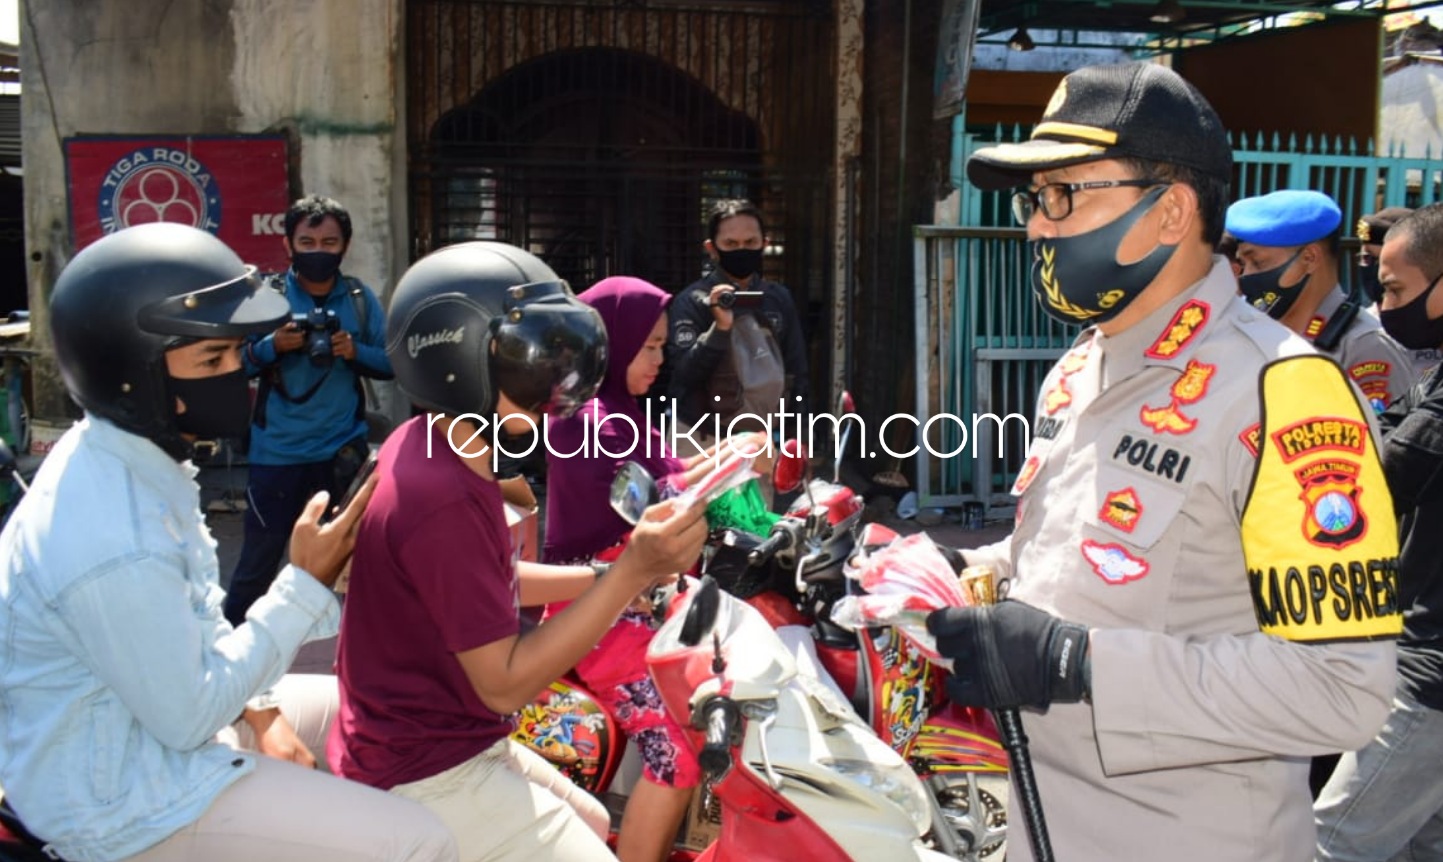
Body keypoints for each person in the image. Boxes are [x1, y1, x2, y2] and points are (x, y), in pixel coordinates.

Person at [923, 62, 1401, 862]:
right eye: (1033, 199)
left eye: (1060, 195)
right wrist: (947, 572)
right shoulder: (1082, 364)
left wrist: (1077, 663)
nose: (1036, 227)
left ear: (1170, 210)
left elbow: (1342, 690)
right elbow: (1070, 565)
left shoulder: (1284, 392)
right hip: (1044, 826)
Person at [0, 223, 456, 862]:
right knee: (421, 842)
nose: (237, 373)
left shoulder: (135, 460)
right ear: (133, 375)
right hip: (124, 802)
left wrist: (263, 711)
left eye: (237, 355)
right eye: (213, 361)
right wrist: (306, 583)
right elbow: (190, 715)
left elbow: (199, 620)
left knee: (399, 710)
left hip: (148, 731)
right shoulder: (112, 533)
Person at [328, 243, 709, 862]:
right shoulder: (442, 495)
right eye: (532, 368)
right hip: (428, 767)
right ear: (456, 364)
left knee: (593, 821)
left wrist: (603, 577)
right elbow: (504, 685)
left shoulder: (436, 442)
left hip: (449, 736)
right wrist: (629, 572)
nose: (554, 389)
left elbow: (491, 576)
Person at [544, 275, 770, 862]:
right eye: (648, 346)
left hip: (642, 599)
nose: (659, 359)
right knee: (677, 751)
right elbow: (662, 500)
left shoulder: (618, 413)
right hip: (599, 613)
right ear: (610, 342)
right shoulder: (587, 422)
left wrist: (732, 453)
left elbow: (671, 473)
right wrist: (728, 463)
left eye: (663, 346)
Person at [1315, 202, 1443, 861]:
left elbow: (1382, 478)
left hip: (1431, 673)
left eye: (1393, 288)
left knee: (1326, 845)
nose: (1383, 304)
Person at [224, 194, 393, 625]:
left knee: (363, 564)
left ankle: (363, 649)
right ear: (288, 245)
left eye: (329, 242)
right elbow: (231, 365)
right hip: (277, 455)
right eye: (307, 242)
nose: (318, 251)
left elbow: (391, 364)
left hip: (342, 454)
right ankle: (229, 650)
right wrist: (271, 346)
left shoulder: (359, 298)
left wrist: (354, 352)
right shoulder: (266, 298)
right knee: (257, 566)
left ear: (345, 246)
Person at [1226, 190, 1415, 414]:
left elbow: (1387, 434)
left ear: (1309, 258)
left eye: (1258, 263)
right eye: (1243, 263)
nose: (1246, 275)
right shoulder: (1254, 333)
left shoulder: (1364, 347)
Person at [666, 199, 809, 453]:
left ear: (764, 244)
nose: (741, 250)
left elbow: (797, 371)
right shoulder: (693, 301)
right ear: (711, 248)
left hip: (762, 439)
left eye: (750, 242)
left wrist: (799, 438)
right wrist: (719, 329)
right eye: (731, 244)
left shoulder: (777, 299)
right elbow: (685, 374)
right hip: (701, 436)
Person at [1357, 206, 1436, 376]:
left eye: (1381, 259)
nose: (1375, 269)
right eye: (1366, 258)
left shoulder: (1431, 324)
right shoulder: (1356, 328)